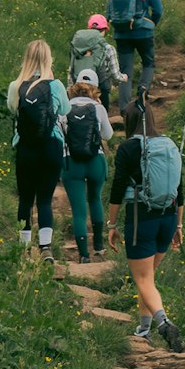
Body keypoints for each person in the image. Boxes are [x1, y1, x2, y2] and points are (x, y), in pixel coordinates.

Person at [107, 96, 185, 351]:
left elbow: (118, 188)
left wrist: (112, 224)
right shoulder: (168, 144)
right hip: (169, 217)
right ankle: (143, 329)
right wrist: (179, 227)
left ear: (129, 121)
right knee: (148, 278)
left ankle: (164, 324)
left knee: (142, 278)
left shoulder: (129, 148)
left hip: (143, 218)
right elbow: (179, 189)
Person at [6, 39, 71, 262]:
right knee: (44, 199)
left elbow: (12, 109)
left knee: (25, 198)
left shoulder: (16, 86)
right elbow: (65, 109)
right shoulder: (56, 85)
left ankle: (23, 249)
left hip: (26, 147)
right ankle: (46, 248)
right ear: (47, 59)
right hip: (51, 146)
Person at [61, 71, 115, 262]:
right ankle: (99, 247)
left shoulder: (65, 107)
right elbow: (108, 136)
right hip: (95, 161)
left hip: (71, 162)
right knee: (95, 199)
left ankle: (84, 255)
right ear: (95, 87)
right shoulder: (98, 108)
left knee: (78, 210)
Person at [108, 0, 164, 110]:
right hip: (143, 32)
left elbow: (110, 10)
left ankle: (125, 109)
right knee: (149, 63)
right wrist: (151, 24)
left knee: (125, 72)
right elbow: (158, 10)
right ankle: (143, 91)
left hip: (122, 33)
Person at [69, 14, 127, 111]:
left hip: (79, 89)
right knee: (101, 116)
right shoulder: (108, 48)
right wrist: (123, 78)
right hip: (100, 91)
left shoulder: (77, 47)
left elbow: (71, 70)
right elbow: (115, 75)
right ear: (104, 30)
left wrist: (70, 88)